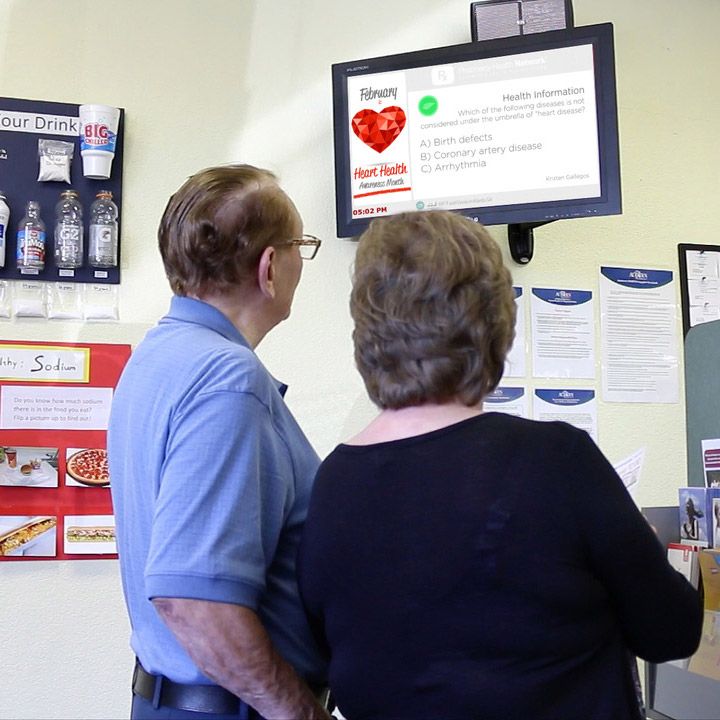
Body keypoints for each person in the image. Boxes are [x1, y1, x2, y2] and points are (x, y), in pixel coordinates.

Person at [297, 210, 703, 720]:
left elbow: (330, 651)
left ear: (368, 330)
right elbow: (672, 631)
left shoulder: (333, 481)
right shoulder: (557, 461)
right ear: (494, 324)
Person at [108, 164, 329, 720]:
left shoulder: (157, 356)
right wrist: (302, 713)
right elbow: (193, 600)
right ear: (271, 267)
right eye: (301, 244)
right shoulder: (226, 379)